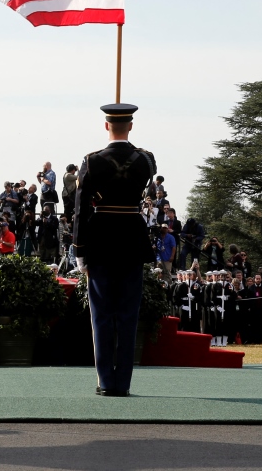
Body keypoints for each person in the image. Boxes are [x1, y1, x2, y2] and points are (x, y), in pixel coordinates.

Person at [73, 102, 157, 397]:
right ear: (130, 126)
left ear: (106, 125)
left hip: (101, 239)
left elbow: (81, 209)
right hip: (132, 238)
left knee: (102, 314)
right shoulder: (146, 160)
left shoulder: (91, 161)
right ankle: (124, 383)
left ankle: (106, 382)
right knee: (128, 315)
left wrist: (79, 249)